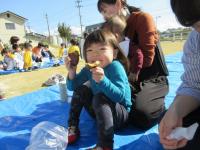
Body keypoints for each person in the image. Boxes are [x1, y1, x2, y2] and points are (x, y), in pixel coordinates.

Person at [98, 0, 169, 129]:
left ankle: (158, 104)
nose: (104, 16)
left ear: (119, 4)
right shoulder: (108, 28)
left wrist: (123, 69)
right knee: (97, 96)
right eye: (101, 12)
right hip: (126, 78)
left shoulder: (142, 19)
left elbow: (147, 60)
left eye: (105, 10)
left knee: (142, 115)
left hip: (151, 77)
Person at [65, 29, 131, 150]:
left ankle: (105, 145)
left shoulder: (115, 67)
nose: (95, 54)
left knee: (100, 97)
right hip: (99, 113)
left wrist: (103, 80)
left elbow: (119, 96)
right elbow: (72, 87)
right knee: (82, 90)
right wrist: (72, 71)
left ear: (114, 53)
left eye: (102, 49)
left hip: (119, 116)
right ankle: (72, 127)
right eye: (90, 50)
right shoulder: (88, 69)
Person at [159, 0, 200, 150]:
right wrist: (175, 110)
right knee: (173, 127)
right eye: (196, 25)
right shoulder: (195, 40)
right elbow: (194, 84)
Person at [102, 15, 143, 82]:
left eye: (107, 37)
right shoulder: (113, 45)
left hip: (128, 76)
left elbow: (138, 56)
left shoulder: (129, 45)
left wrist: (134, 72)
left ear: (115, 36)